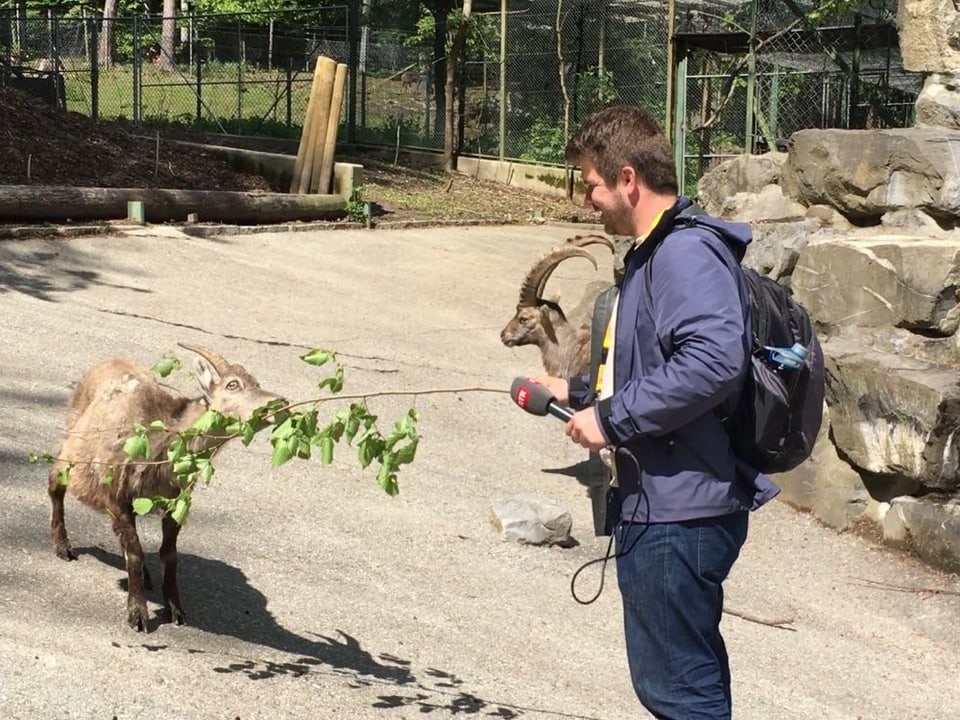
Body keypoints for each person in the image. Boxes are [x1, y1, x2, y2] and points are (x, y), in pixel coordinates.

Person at [536, 104, 780, 719]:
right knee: (681, 682)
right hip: (667, 502)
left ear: (626, 179)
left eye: (591, 183)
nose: (587, 199)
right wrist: (584, 397)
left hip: (680, 513)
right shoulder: (654, 251)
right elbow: (661, 370)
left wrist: (612, 421)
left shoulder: (683, 254)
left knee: (680, 695)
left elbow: (712, 362)